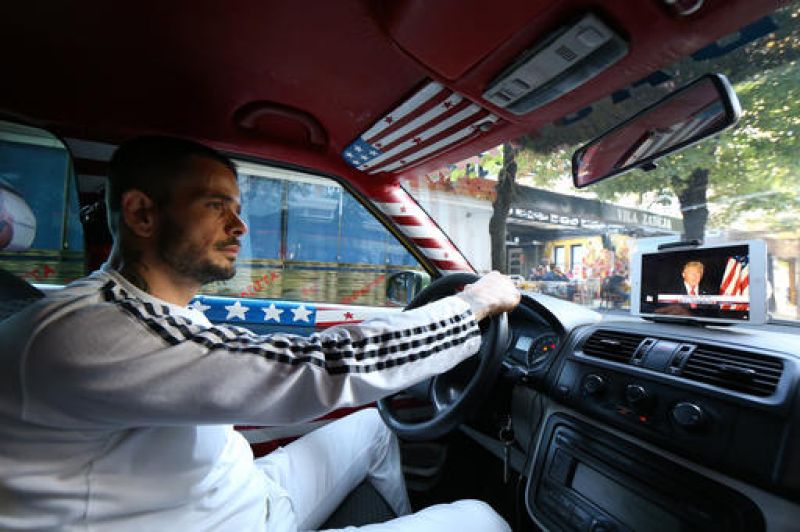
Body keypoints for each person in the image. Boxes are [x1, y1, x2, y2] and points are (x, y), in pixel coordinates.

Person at [0, 137, 520, 531]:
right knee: (480, 518)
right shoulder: (98, 333)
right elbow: (318, 366)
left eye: (237, 208)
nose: (240, 226)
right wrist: (469, 306)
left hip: (239, 494)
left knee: (374, 429)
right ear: (141, 213)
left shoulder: (131, 308)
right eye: (214, 205)